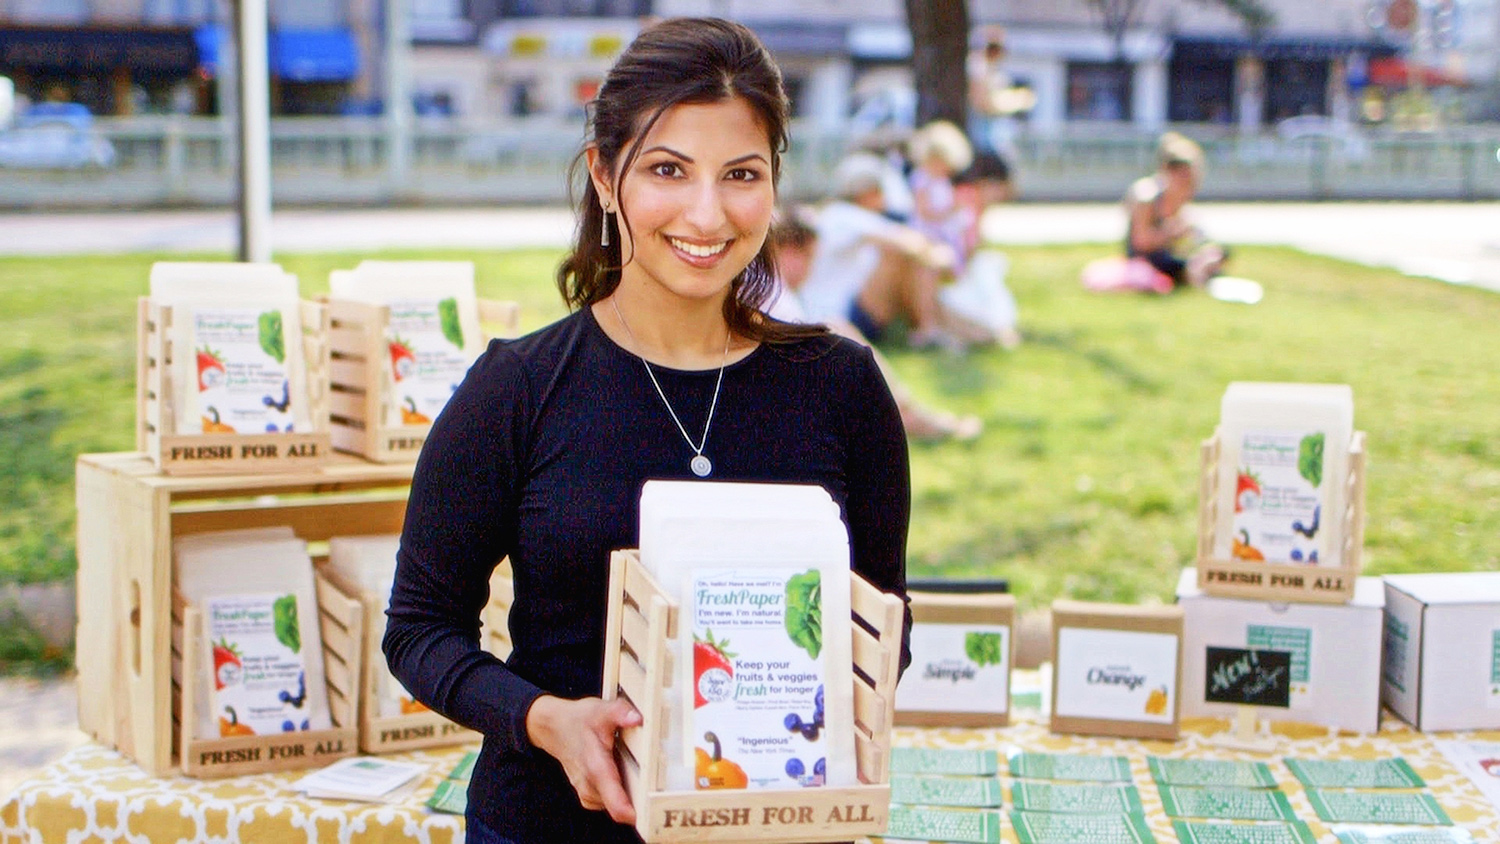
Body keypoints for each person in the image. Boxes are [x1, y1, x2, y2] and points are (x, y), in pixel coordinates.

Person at [383, 18, 912, 844]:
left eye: (741, 174)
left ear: (773, 185)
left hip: (778, 827)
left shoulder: (840, 388)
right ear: (603, 174)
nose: (707, 213)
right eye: (668, 170)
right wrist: (542, 718)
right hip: (550, 825)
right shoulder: (518, 389)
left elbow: (886, 621)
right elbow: (419, 629)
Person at [769, 212, 982, 442]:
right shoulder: (776, 292)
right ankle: (906, 414)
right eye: (810, 257)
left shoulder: (777, 291)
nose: (811, 268)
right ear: (790, 252)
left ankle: (908, 412)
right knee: (838, 333)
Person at [796, 152, 961, 350]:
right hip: (839, 315)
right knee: (902, 257)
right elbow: (907, 242)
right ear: (869, 193)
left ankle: (928, 328)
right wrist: (944, 258)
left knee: (913, 260)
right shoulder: (844, 215)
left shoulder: (843, 217)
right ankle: (926, 330)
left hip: (849, 310)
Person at [1124, 132, 1228, 288]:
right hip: (1147, 260)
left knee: (1219, 252)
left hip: (1169, 254)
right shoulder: (1147, 196)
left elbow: (1193, 237)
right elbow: (1141, 242)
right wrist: (1173, 234)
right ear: (1169, 171)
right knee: (1187, 265)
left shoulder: (1179, 198)